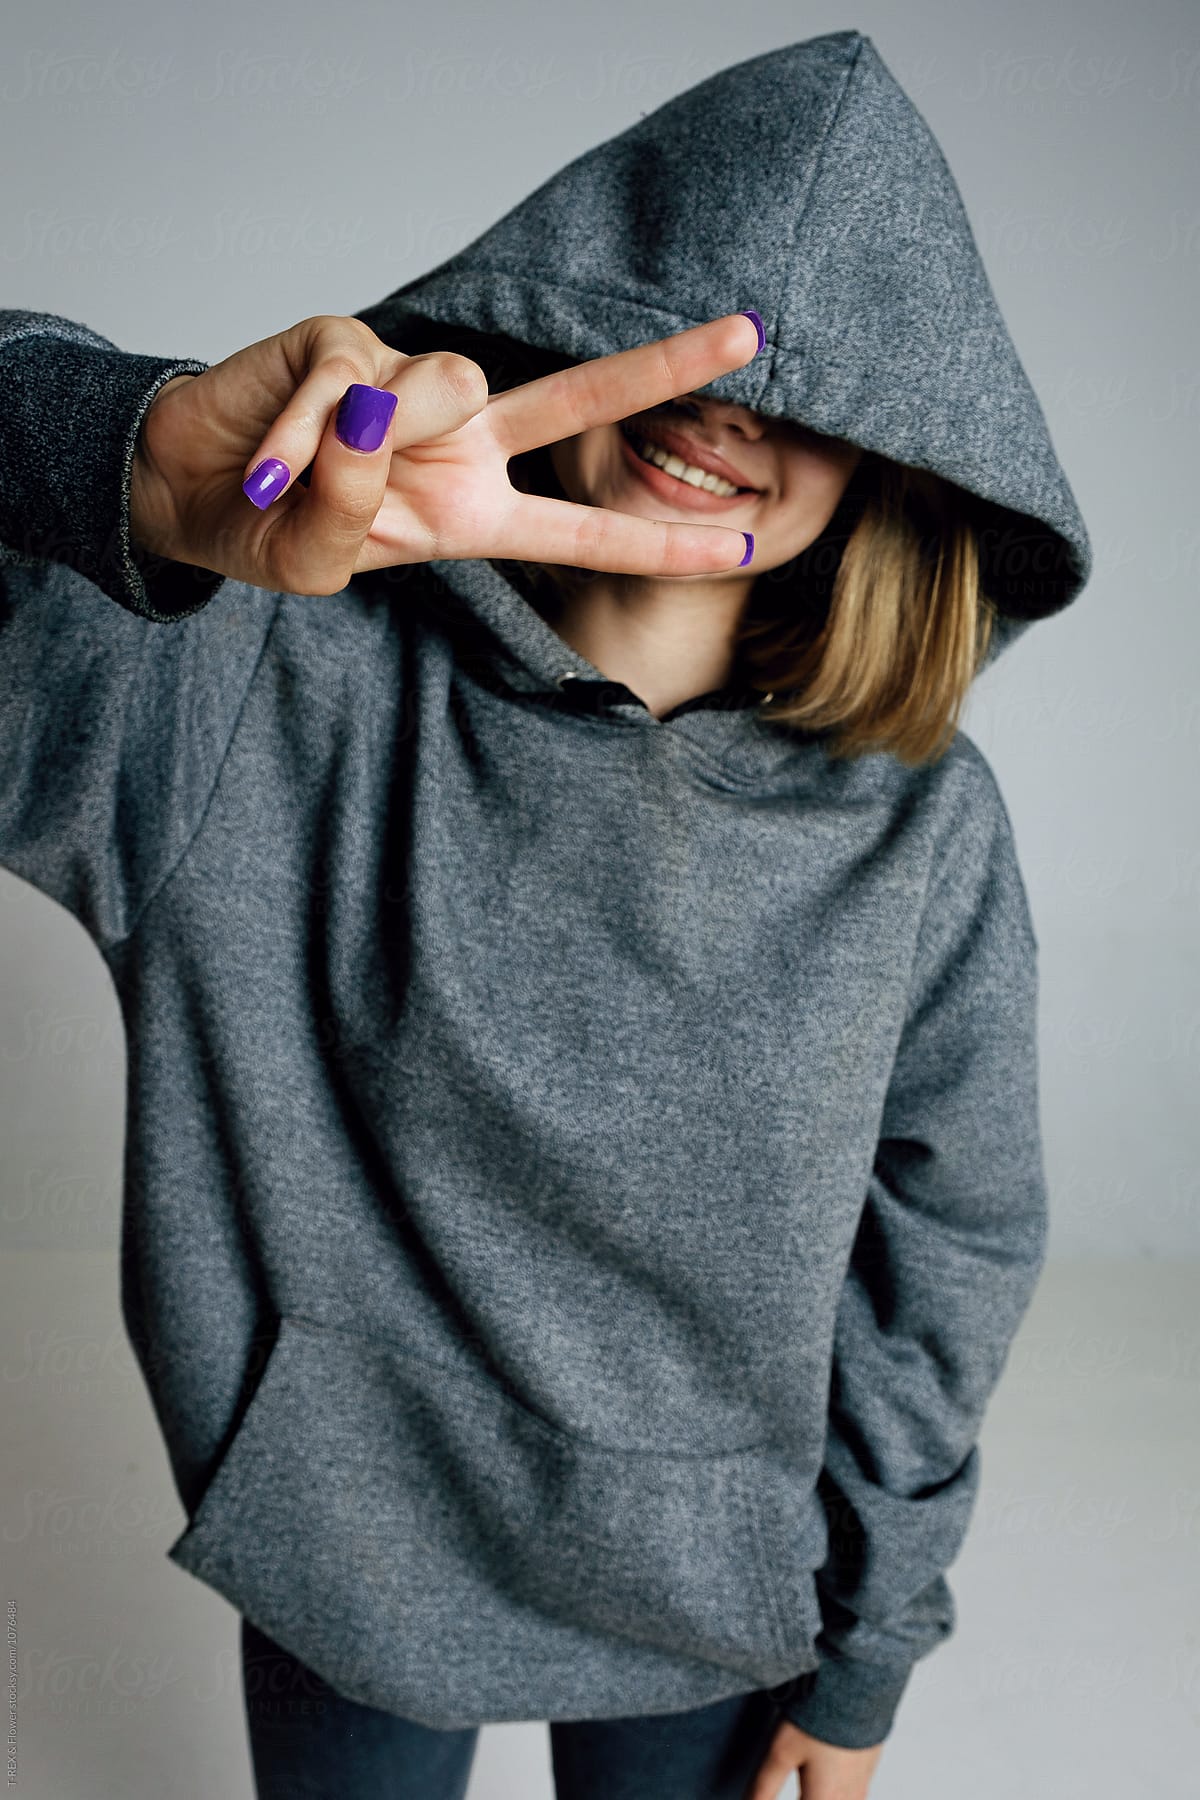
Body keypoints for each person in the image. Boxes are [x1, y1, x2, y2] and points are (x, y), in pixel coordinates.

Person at [0, 27, 1091, 1800]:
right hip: (343, 1539)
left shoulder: (926, 835)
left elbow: (949, 1254)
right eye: (692, 339)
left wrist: (874, 1641)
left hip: (716, 1586)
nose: (734, 410)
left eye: (813, 386)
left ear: (906, 454)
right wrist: (130, 465)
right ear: (563, 323)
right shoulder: (250, 690)